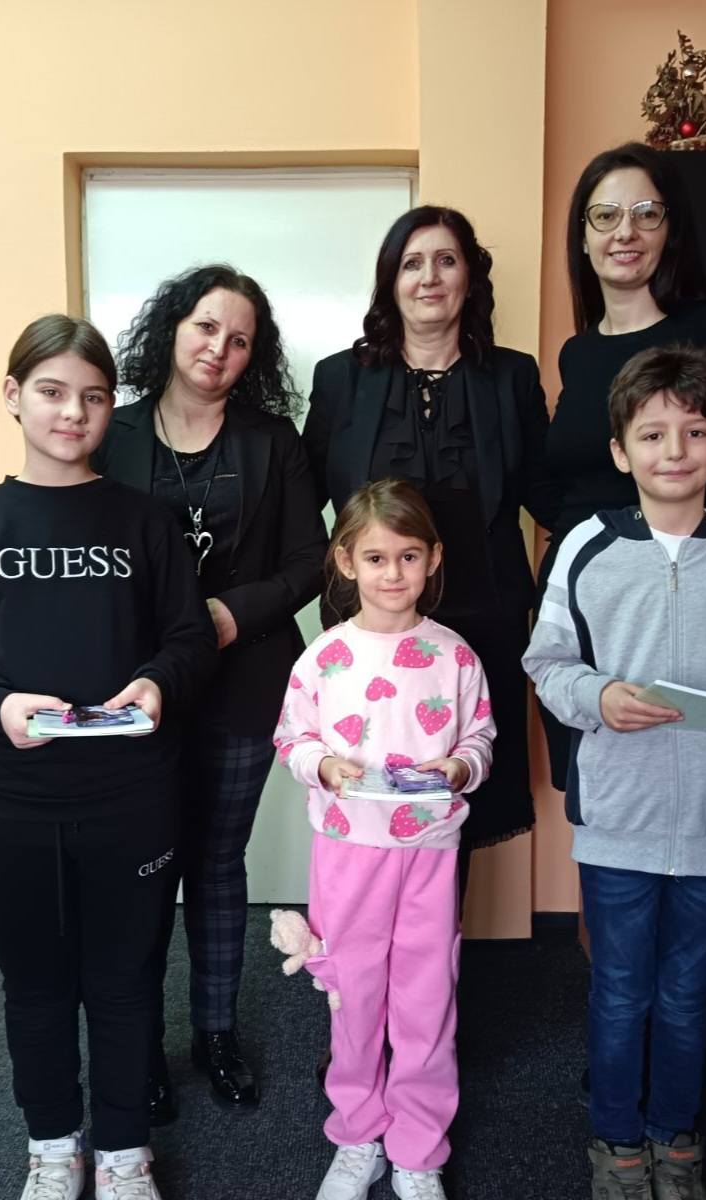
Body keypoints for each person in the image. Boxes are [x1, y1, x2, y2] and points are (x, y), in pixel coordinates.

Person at [0, 315, 217, 1200]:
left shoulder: (146, 521)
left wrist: (156, 684)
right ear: (13, 396)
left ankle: (122, 1152)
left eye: (92, 396)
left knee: (126, 982)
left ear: (110, 406)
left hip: (132, 797)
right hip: (10, 801)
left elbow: (191, 640)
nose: (73, 412)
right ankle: (51, 1146)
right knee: (36, 987)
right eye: (51, 391)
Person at [523, 345, 706, 1200]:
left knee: (688, 990)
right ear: (621, 451)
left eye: (694, 432)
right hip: (617, 818)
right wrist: (599, 697)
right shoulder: (585, 549)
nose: (675, 450)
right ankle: (617, 1140)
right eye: (652, 434)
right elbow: (546, 663)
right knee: (620, 991)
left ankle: (674, 1134)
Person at [91, 265, 327, 1115]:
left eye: (239, 340)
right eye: (204, 327)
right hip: (136, 686)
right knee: (145, 866)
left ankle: (215, 1032)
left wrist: (230, 613)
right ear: (172, 329)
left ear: (252, 357)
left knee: (218, 861)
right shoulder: (112, 432)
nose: (218, 349)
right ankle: (141, 1044)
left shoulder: (273, 440)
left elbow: (309, 561)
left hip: (243, 677)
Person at [304, 205, 558, 866]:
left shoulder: (513, 377)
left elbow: (549, 495)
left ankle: (437, 933)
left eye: (447, 260)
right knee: (365, 784)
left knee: (454, 792)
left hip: (483, 621)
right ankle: (362, 932)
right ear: (391, 280)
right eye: (412, 263)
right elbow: (301, 497)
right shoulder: (340, 379)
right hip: (372, 627)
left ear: (470, 277)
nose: (430, 277)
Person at [273, 478, 495, 1200]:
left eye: (407, 557)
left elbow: (480, 739)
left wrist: (459, 767)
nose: (392, 574)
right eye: (375, 558)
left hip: (428, 851)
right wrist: (323, 765)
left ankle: (419, 1147)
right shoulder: (324, 657)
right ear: (346, 562)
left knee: (427, 1000)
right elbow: (292, 738)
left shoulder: (455, 656)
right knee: (354, 994)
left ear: (433, 558)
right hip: (348, 851)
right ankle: (357, 1132)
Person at [541, 140, 706, 789]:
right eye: (605, 215)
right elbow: (566, 484)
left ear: (671, 230)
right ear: (583, 236)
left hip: (682, 600)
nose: (625, 232)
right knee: (595, 791)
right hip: (586, 601)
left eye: (646, 213)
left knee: (687, 783)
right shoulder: (578, 353)